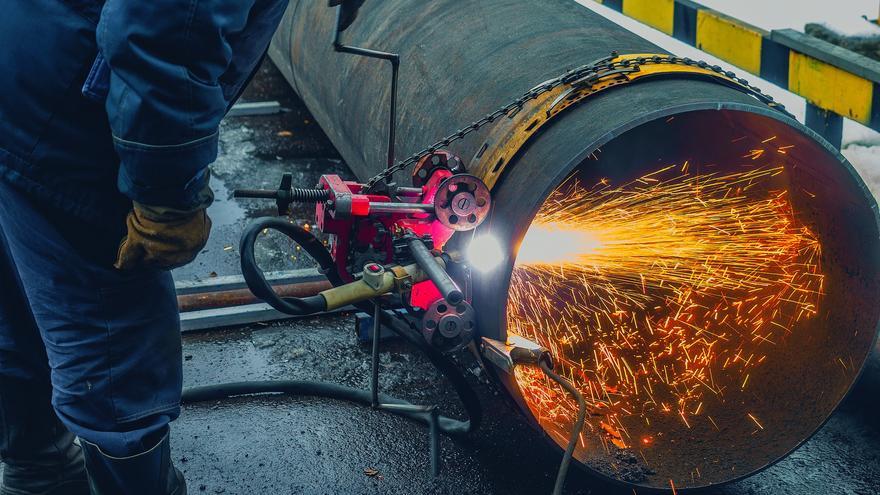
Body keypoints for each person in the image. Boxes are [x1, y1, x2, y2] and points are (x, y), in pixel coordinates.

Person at [0, 1, 288, 493]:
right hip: (66, 112)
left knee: (20, 304)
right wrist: (166, 197)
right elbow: (166, 32)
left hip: (23, 64)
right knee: (113, 354)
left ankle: (39, 468)